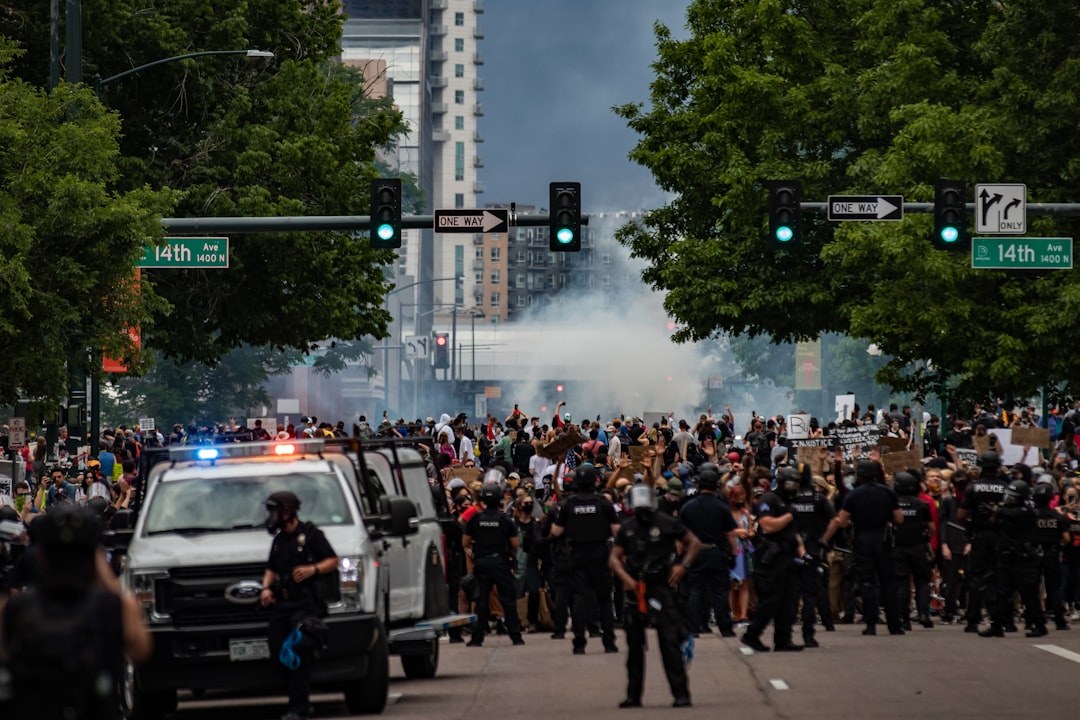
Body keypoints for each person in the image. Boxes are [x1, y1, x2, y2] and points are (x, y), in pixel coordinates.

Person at [1, 504, 152, 720]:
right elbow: (141, 650)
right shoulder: (113, 606)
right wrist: (106, 574)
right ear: (95, 555)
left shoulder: (17, 608)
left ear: (41, 554)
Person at [609, 483, 702, 709]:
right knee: (634, 647)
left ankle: (681, 694)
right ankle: (633, 695)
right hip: (636, 590)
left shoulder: (666, 523)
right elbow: (614, 558)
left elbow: (694, 544)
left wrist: (683, 566)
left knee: (669, 643)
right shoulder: (628, 528)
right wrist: (626, 578)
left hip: (661, 587)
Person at [260, 491, 340, 720]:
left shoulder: (311, 536)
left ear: (287, 511)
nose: (272, 516)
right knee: (278, 649)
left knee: (296, 651)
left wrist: (312, 569)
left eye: (275, 511)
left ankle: (299, 706)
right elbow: (271, 569)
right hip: (282, 604)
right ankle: (294, 699)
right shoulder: (278, 541)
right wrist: (266, 588)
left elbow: (332, 561)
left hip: (305, 605)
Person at [822, 459, 905, 636]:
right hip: (883, 538)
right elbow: (899, 518)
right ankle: (894, 625)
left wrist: (854, 521)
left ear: (859, 475)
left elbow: (842, 520)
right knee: (888, 583)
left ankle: (870, 624)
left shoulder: (854, 495)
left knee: (867, 583)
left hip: (862, 539)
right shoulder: (887, 493)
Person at [549, 464, 621, 654]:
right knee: (604, 599)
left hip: (577, 555)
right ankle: (609, 642)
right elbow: (617, 531)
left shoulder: (569, 504)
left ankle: (579, 642)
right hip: (601, 553)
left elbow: (556, 531)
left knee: (581, 598)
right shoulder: (604, 503)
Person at [741, 466, 807, 652]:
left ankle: (783, 640)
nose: (793, 486)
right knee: (771, 600)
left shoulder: (789, 501)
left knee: (788, 601)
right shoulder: (769, 500)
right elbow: (768, 526)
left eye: (796, 483)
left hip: (788, 556)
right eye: (790, 482)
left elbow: (793, 532)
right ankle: (751, 635)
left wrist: (801, 550)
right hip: (771, 558)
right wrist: (789, 516)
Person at [463, 478, 525, 647]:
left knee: (482, 601)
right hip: (500, 562)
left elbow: (465, 541)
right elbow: (515, 544)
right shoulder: (505, 520)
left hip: (482, 562)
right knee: (508, 600)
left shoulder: (475, 519)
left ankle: (478, 638)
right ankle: (516, 637)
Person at [678, 467, 739, 638]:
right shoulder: (722, 507)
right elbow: (731, 534)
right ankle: (725, 628)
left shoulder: (688, 507)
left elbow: (680, 535)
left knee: (695, 591)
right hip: (717, 552)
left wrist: (681, 556)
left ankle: (693, 627)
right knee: (720, 591)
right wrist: (734, 555)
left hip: (694, 554)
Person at [956, 451, 1008, 633]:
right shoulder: (1005, 487)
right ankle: (1001, 620)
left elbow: (961, 514)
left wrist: (971, 525)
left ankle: (972, 620)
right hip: (1000, 536)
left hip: (979, 535)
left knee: (977, 578)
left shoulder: (973, 487)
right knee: (1000, 577)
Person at [983, 479, 1044, 638]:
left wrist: (996, 510)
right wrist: (992, 513)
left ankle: (1039, 625)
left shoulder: (1027, 510)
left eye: (1014, 497)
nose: (1010, 499)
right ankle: (998, 625)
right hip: (1006, 558)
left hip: (1024, 559)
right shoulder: (1005, 509)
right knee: (1000, 594)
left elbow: (1015, 514)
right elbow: (993, 524)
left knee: (1029, 594)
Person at [790, 467, 837, 646]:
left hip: (792, 550)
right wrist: (824, 539)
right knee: (811, 593)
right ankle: (808, 635)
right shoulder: (819, 499)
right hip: (814, 549)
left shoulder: (790, 498)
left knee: (791, 592)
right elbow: (835, 520)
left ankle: (786, 633)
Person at [892, 471, 935, 630]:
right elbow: (932, 528)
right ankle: (924, 613)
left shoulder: (893, 503)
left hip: (898, 547)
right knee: (923, 581)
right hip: (918, 547)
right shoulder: (921, 504)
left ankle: (905, 619)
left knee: (902, 583)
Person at [1031, 480, 1070, 630]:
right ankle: (1060, 621)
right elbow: (1066, 539)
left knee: (1034, 588)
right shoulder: (1058, 517)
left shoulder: (1030, 516)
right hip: (1052, 554)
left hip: (1033, 553)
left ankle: (1035, 619)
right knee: (1054, 588)